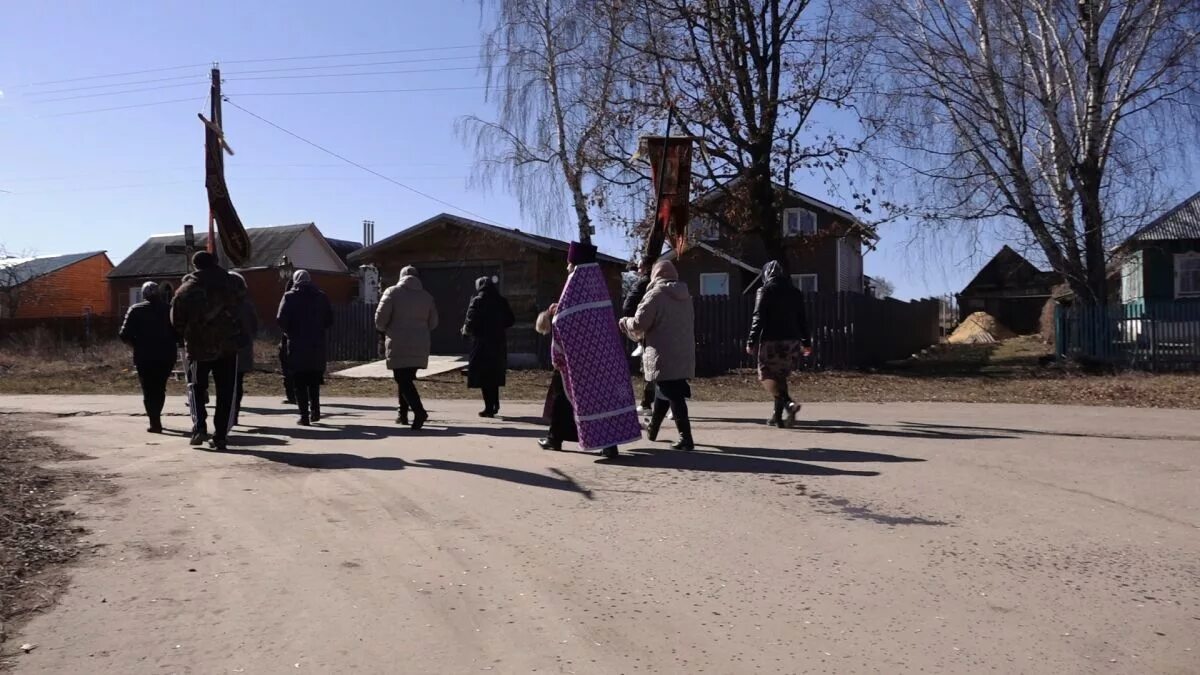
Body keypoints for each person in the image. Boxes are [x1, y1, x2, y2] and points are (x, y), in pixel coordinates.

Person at [549, 242, 643, 459]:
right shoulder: (597, 282)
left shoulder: (575, 283)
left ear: (575, 263)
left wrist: (557, 345)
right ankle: (610, 444)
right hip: (608, 356)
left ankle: (595, 441)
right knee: (609, 397)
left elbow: (562, 319)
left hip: (584, 359)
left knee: (589, 399)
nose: (567, 268)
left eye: (569, 263)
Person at [171, 251, 245, 451]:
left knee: (195, 387)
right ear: (216, 262)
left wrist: (188, 334)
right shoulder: (233, 285)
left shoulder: (185, 290)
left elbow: (176, 321)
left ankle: (199, 427)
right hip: (228, 348)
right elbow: (244, 311)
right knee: (226, 391)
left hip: (197, 348)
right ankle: (220, 435)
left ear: (195, 266)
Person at [619, 260, 696, 450]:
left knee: (673, 393)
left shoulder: (656, 294)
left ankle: (686, 438)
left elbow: (640, 323)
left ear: (656, 275)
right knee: (666, 389)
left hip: (662, 351)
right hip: (683, 351)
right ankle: (653, 428)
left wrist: (624, 322)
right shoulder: (686, 295)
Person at [745, 260, 812, 428]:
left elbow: (758, 317)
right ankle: (777, 416)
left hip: (771, 340)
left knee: (766, 375)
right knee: (780, 376)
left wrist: (751, 340)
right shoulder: (795, 292)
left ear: (766, 274)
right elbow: (802, 318)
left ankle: (788, 404)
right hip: (792, 341)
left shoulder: (764, 290)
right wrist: (806, 341)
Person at [375, 266, 438, 430]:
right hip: (420, 344)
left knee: (402, 379)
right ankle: (402, 414)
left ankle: (419, 411)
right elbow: (433, 323)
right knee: (405, 379)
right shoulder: (427, 296)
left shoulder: (392, 292)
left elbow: (380, 320)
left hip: (398, 342)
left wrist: (386, 329)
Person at [118, 281, 178, 433]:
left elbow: (124, 334)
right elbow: (179, 332)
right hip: (166, 355)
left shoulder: (135, 310)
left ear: (143, 294)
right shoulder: (169, 309)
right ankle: (156, 418)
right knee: (160, 388)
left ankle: (155, 422)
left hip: (144, 356)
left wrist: (136, 345)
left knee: (148, 390)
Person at [278, 270, 334, 426]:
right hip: (316, 345)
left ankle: (304, 416)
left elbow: (280, 319)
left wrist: (289, 332)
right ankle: (315, 411)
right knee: (314, 381)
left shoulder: (289, 297)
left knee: (299, 382)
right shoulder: (321, 296)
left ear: (295, 280)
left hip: (296, 344)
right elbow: (329, 319)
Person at [462, 276, 515, 417]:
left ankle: (488, 407)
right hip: (498, 343)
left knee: (484, 376)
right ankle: (495, 404)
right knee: (494, 375)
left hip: (481, 343)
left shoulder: (477, 301)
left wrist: (468, 330)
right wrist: (498, 326)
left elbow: (471, 321)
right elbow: (510, 320)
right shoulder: (501, 301)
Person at [536, 304, 578, 451]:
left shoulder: (559, 319)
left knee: (560, 402)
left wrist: (557, 362)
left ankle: (554, 438)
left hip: (565, 367)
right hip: (581, 363)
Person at [621, 259, 656, 413]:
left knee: (654, 367)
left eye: (640, 267)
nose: (638, 270)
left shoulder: (647, 284)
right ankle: (648, 401)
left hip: (651, 329)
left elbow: (634, 304)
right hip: (651, 329)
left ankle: (650, 402)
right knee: (654, 367)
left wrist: (632, 322)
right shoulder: (650, 284)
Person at [230, 272, 258, 427]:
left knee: (225, 384)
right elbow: (254, 326)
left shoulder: (220, 302)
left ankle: (227, 415)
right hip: (242, 348)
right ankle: (234, 415)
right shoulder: (246, 305)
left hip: (223, 349)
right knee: (238, 383)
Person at [278, 277, 297, 404]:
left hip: (289, 336)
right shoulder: (314, 297)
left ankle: (291, 395)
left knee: (287, 366)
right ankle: (300, 394)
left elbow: (280, 318)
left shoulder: (288, 297)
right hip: (306, 339)